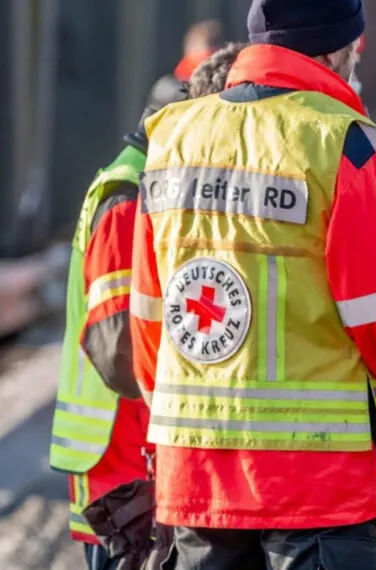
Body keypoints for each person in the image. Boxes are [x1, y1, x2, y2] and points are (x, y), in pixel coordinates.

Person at [129, 1, 376, 569]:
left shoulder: (173, 137)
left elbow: (150, 311)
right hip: (318, 488)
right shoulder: (344, 143)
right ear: (337, 50)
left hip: (195, 480)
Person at [48, 80, 185, 569]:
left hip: (126, 456)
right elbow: (122, 348)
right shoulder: (129, 198)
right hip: (122, 462)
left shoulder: (134, 185)